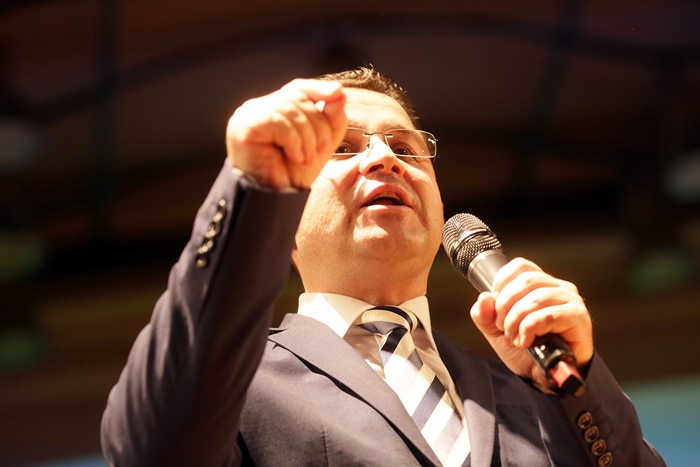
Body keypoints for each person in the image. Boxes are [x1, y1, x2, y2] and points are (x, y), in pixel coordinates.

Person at [101, 67, 665, 466]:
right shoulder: (235, 381)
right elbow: (151, 449)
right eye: (344, 148)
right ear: (285, 220)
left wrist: (576, 384)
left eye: (406, 147)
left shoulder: (536, 395)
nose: (384, 158)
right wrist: (251, 188)